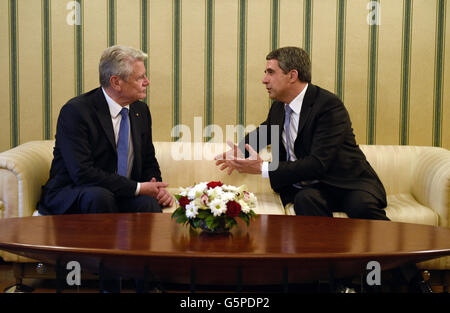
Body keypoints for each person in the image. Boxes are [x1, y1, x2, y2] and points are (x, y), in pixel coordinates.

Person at [215, 46, 389, 221]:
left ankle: (397, 248)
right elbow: (266, 131)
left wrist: (262, 167)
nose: (264, 80)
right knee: (305, 200)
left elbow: (318, 163)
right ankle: (325, 249)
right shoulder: (279, 107)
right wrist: (239, 151)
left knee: (362, 206)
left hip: (348, 184)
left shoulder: (328, 106)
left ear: (292, 75)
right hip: (313, 189)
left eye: (270, 72)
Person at [38, 45, 174, 216]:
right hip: (77, 191)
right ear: (116, 82)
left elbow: (148, 160)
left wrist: (156, 187)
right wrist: (138, 187)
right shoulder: (76, 112)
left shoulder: (140, 111)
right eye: (140, 78)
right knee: (100, 196)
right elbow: (82, 173)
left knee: (148, 203)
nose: (147, 82)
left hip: (120, 192)